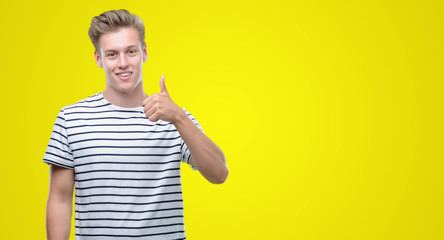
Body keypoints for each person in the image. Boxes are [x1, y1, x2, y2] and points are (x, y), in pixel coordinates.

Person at [43, 9, 228, 240]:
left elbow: (219, 173)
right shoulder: (71, 119)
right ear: (98, 59)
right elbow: (60, 200)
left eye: (131, 52)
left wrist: (179, 117)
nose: (123, 63)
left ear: (144, 52)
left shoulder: (173, 117)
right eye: (112, 54)